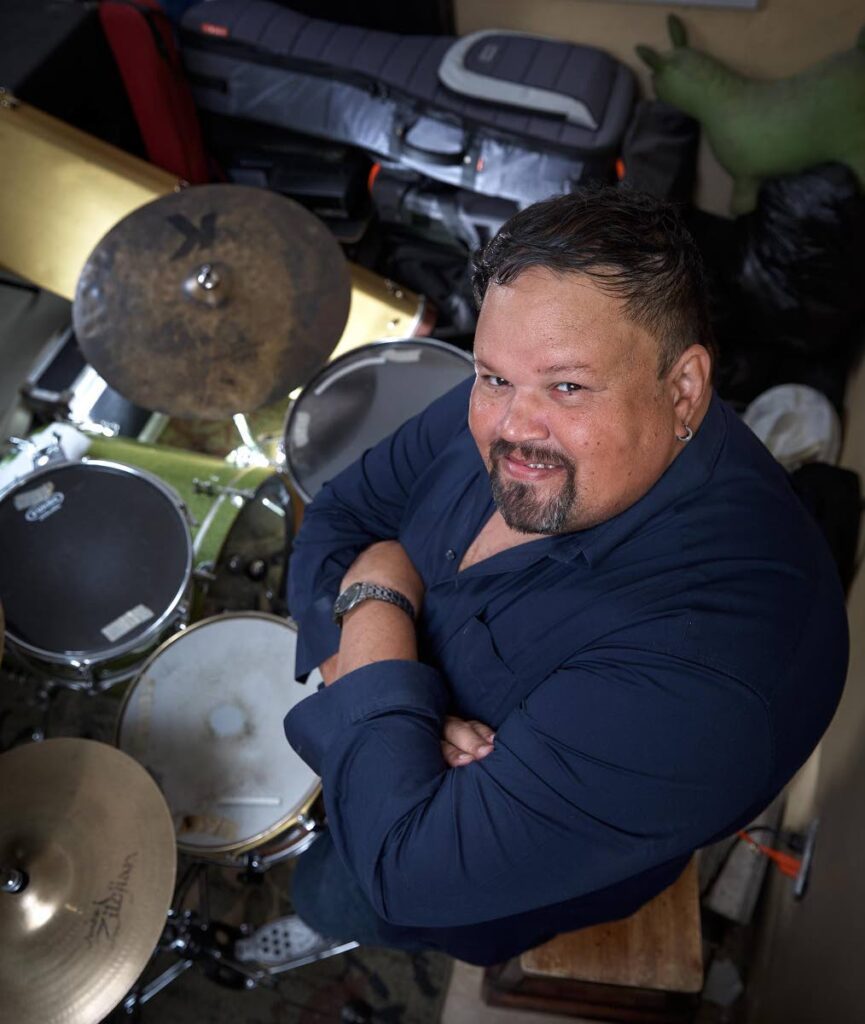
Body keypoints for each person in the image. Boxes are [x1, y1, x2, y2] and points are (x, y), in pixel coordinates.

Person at [282, 186, 848, 966]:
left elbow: (400, 872)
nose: (512, 427)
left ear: (681, 389)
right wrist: (380, 669)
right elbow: (342, 512)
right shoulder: (523, 390)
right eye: (490, 377)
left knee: (327, 893)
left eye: (568, 387)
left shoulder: (711, 667)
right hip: (382, 740)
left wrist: (375, 597)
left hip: (476, 882)